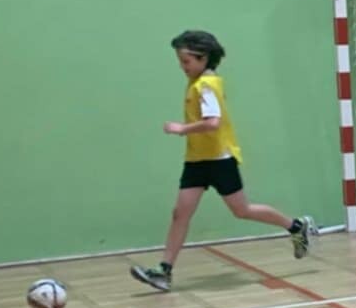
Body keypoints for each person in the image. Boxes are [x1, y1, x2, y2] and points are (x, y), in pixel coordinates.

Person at [131, 30, 315, 292]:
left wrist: (181, 129)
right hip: (196, 160)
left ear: (204, 58)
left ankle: (296, 227)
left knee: (242, 210)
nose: (182, 66)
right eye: (180, 61)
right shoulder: (197, 82)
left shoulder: (207, 85)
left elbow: (213, 123)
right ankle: (164, 271)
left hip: (219, 159)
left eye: (186, 61)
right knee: (180, 213)